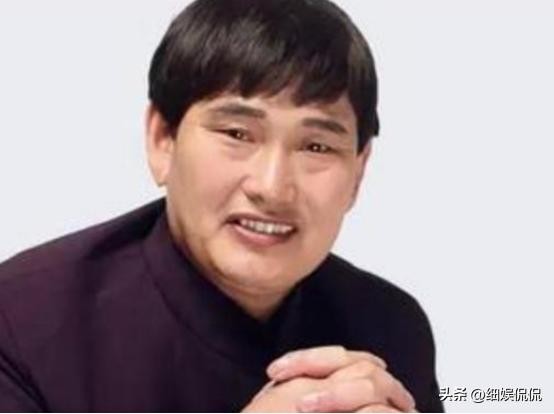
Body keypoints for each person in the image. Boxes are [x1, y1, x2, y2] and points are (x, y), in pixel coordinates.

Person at [0, 0, 443, 412]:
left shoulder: (391, 329)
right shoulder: (23, 320)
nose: (272, 188)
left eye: (316, 146)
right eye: (237, 134)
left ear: (358, 173)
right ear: (162, 140)